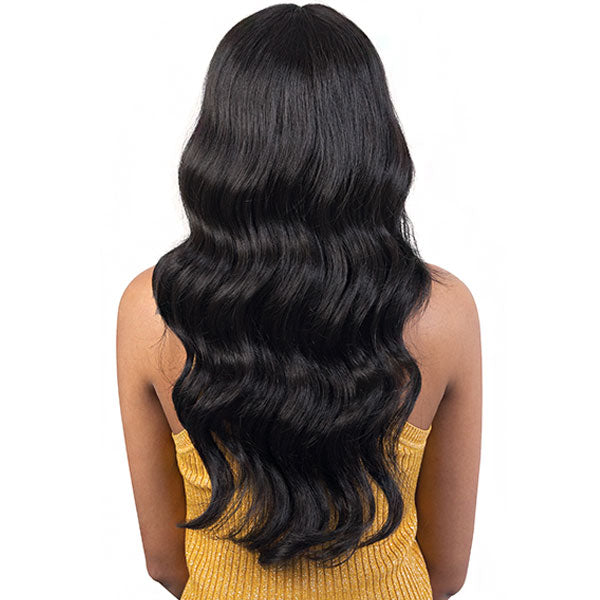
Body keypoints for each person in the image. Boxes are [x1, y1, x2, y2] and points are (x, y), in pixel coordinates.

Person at [116, 4, 482, 599]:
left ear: (221, 141)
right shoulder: (444, 313)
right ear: (372, 139)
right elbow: (446, 570)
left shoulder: (151, 309)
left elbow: (163, 561)